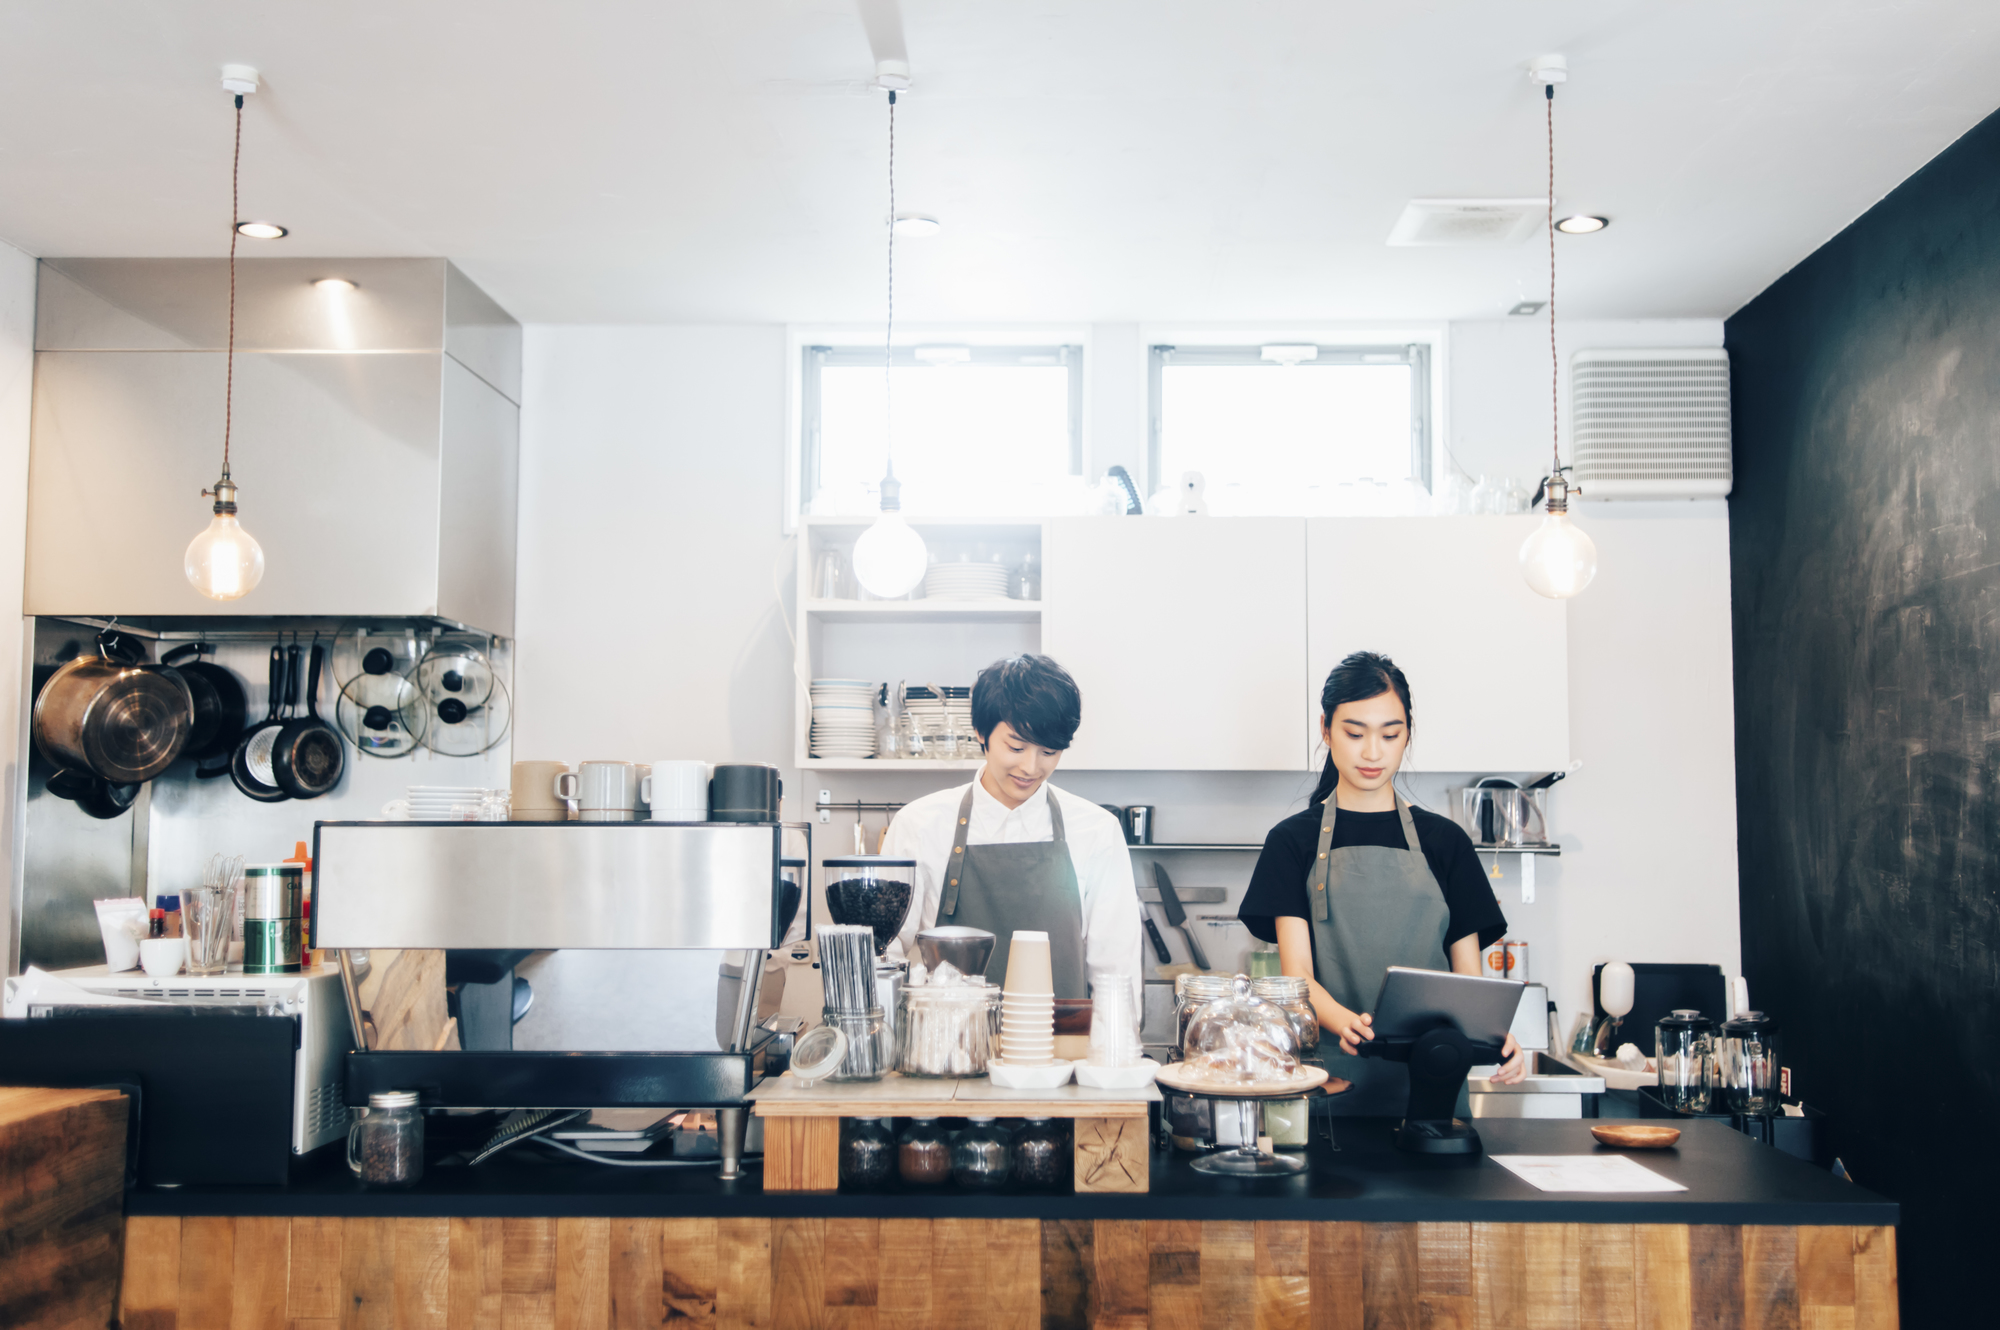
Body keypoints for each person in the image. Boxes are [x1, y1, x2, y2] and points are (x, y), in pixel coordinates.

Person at [1238, 651, 1526, 1113]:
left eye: (1390, 734)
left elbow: (1470, 983)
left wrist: (1494, 1036)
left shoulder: (1446, 842)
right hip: (1329, 1082)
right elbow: (1298, 976)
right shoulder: (1292, 842)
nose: (1373, 752)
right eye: (1354, 733)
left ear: (1406, 734)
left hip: (1434, 1091)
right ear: (1325, 730)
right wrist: (1346, 1023)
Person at [882, 654, 1140, 1007]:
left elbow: (1116, 971)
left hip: (1062, 1052)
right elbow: (885, 952)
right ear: (981, 733)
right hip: (948, 1052)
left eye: (1049, 751)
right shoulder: (920, 825)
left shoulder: (1096, 831)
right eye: (1016, 747)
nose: (1030, 767)